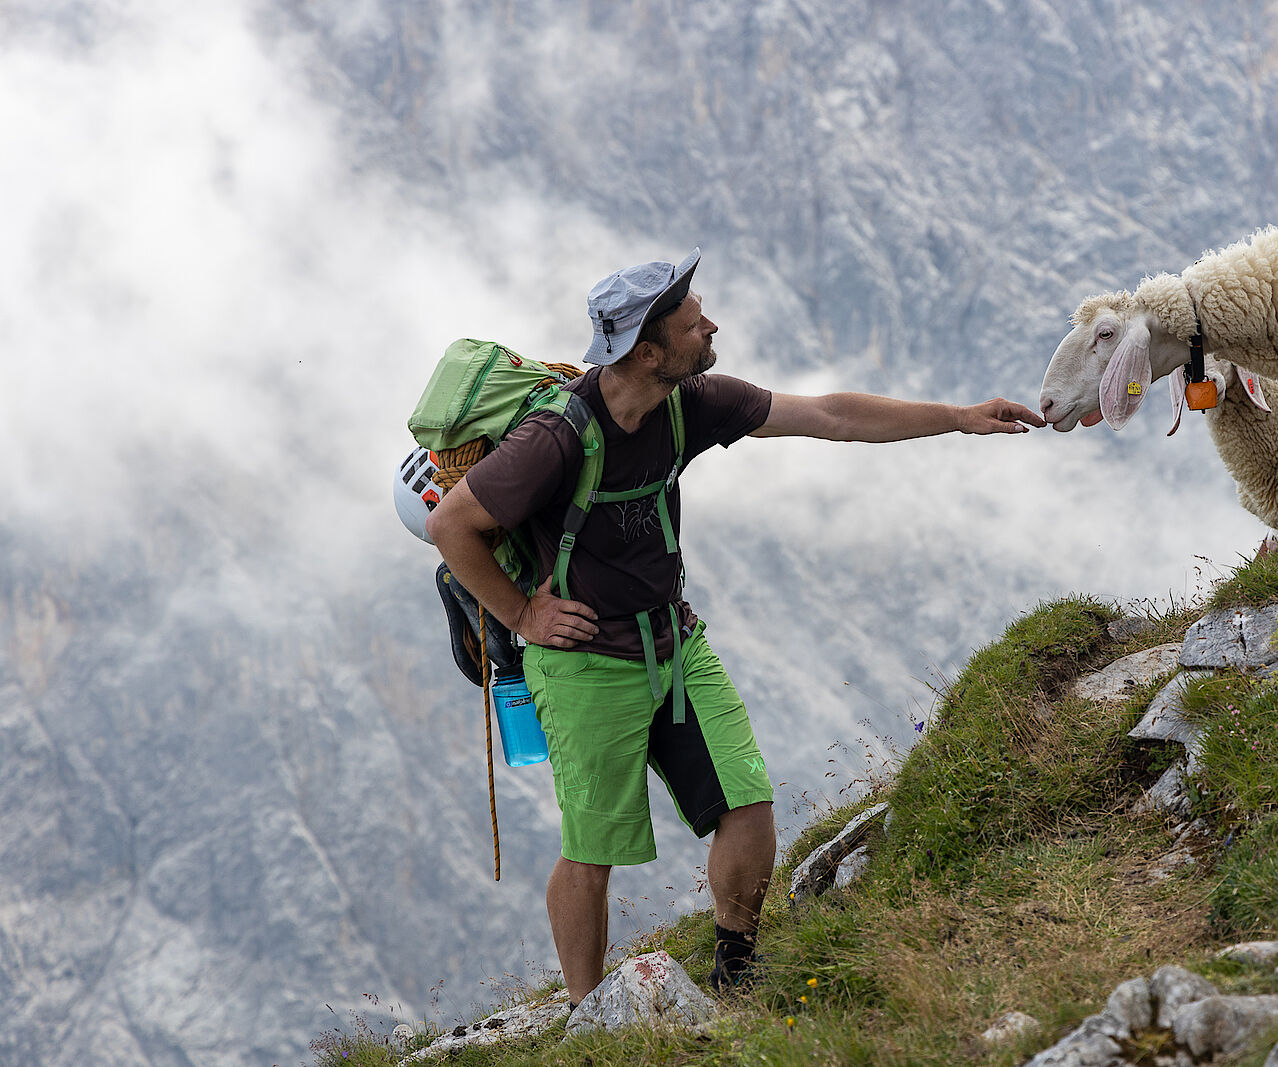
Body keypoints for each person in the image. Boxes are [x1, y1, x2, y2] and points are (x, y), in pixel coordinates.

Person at [425, 247, 1044, 1006]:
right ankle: (591, 1020)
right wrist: (523, 614)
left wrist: (956, 418)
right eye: (693, 323)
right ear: (646, 351)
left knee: (747, 805)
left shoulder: (692, 399)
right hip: (585, 664)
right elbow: (453, 523)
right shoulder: (555, 437)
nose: (710, 325)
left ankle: (737, 973)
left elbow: (830, 416)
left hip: (673, 645)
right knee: (591, 852)